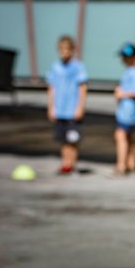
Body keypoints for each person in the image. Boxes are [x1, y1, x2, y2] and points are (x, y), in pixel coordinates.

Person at [46, 36, 88, 174]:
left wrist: (80, 107)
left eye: (67, 50)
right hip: (60, 110)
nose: (64, 53)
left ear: (72, 50)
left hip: (72, 110)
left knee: (72, 139)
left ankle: (72, 164)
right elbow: (51, 88)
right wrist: (51, 107)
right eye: (61, 50)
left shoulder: (78, 67)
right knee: (62, 139)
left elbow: (82, 88)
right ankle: (65, 163)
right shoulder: (55, 67)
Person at [114, 43, 135, 176]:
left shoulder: (134, 72)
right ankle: (131, 163)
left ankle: (121, 165)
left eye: (125, 56)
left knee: (120, 135)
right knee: (129, 137)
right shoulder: (130, 71)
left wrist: (122, 94)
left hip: (128, 111)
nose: (123, 59)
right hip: (126, 110)